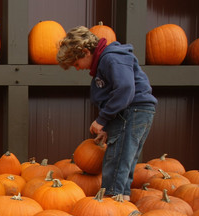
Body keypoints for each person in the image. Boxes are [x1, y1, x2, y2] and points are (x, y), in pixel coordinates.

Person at [56, 26, 157, 201]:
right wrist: (108, 126)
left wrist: (101, 120)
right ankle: (121, 199)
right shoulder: (107, 61)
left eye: (76, 64)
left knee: (117, 158)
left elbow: (124, 90)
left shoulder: (111, 59)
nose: (78, 69)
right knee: (125, 158)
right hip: (133, 111)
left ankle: (112, 200)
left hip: (133, 110)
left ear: (86, 52)